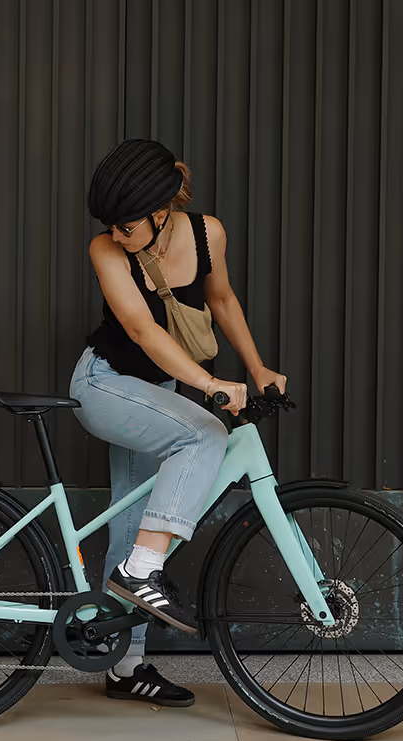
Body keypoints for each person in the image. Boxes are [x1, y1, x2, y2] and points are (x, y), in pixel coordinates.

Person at [69, 138, 286, 708]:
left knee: (139, 519)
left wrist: (257, 366)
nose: (117, 234)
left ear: (160, 210)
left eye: (127, 224)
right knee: (204, 434)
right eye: (110, 225)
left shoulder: (207, 234)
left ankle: (125, 664)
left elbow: (221, 299)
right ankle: (142, 571)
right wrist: (210, 383)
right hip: (106, 384)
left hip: (159, 389)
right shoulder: (107, 250)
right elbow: (141, 329)